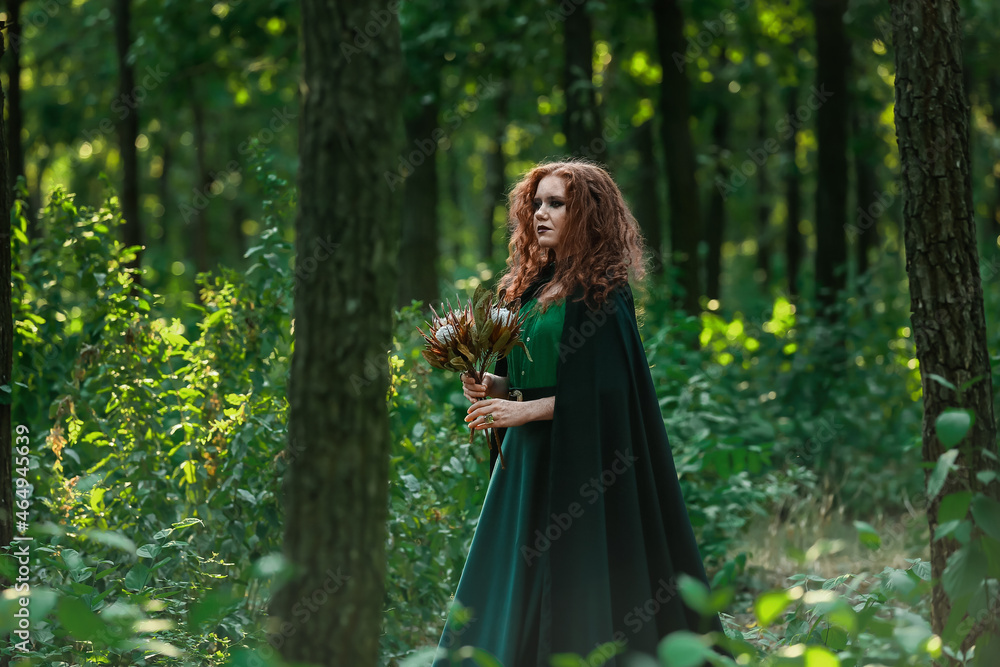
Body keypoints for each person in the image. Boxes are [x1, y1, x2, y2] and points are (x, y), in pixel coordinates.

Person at [432, 159, 729, 666]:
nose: (540, 214)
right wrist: (491, 387)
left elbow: (608, 396)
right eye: (537, 203)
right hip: (524, 469)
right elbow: (528, 379)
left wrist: (521, 413)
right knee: (507, 582)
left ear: (587, 214)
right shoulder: (525, 290)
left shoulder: (600, 295)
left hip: (581, 464)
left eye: (556, 204)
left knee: (574, 583)